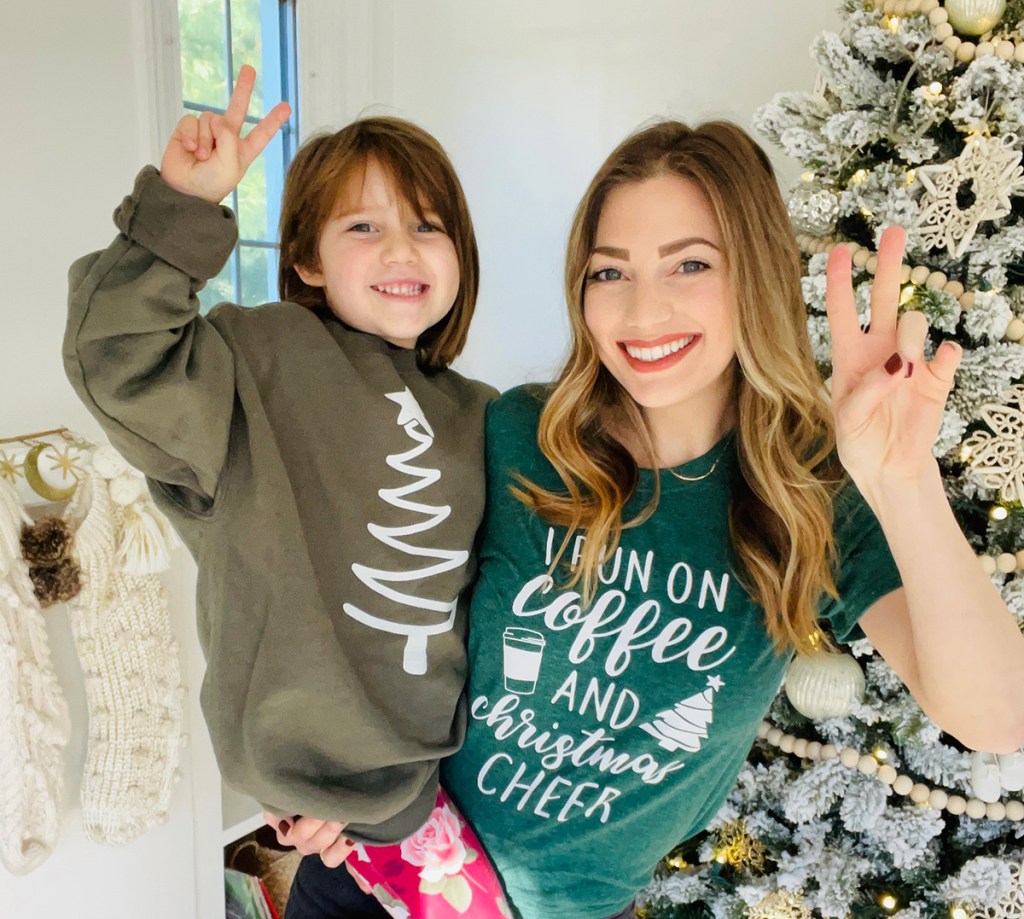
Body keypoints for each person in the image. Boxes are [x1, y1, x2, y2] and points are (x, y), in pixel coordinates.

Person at [287, 118, 1024, 919]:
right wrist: (322, 767)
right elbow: (374, 596)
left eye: (691, 264)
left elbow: (994, 715)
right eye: (611, 272)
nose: (644, 311)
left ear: (756, 276)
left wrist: (904, 482)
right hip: (375, 871)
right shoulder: (512, 434)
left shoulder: (807, 494)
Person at [63, 65, 501, 910]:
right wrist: (178, 212)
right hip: (337, 826)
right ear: (305, 254)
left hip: (450, 798)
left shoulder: (482, 413)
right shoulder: (257, 362)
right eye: (364, 226)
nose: (402, 249)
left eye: (428, 225)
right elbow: (116, 356)